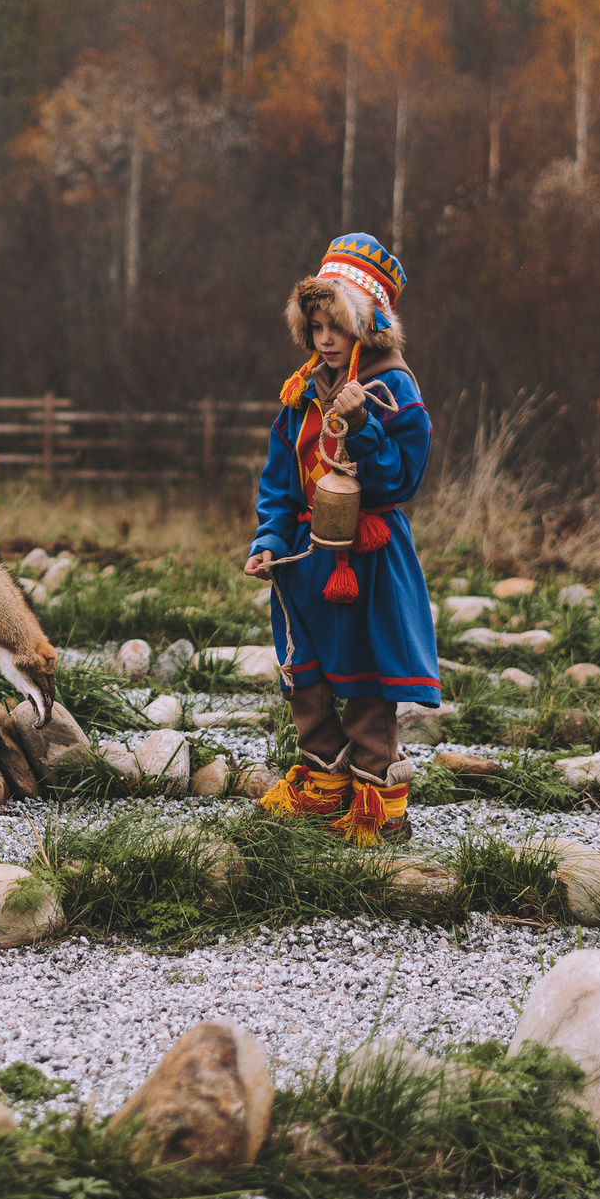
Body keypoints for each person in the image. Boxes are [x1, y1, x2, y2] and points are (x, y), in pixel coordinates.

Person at [245, 233, 441, 843]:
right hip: (306, 557)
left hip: (369, 555)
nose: (325, 338)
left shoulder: (392, 388)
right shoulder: (301, 392)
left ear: (367, 325)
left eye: (338, 325)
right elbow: (281, 480)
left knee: (366, 675)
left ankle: (378, 800)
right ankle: (324, 780)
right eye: (316, 325)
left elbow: (400, 479)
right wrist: (270, 539)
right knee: (305, 672)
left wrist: (360, 424)